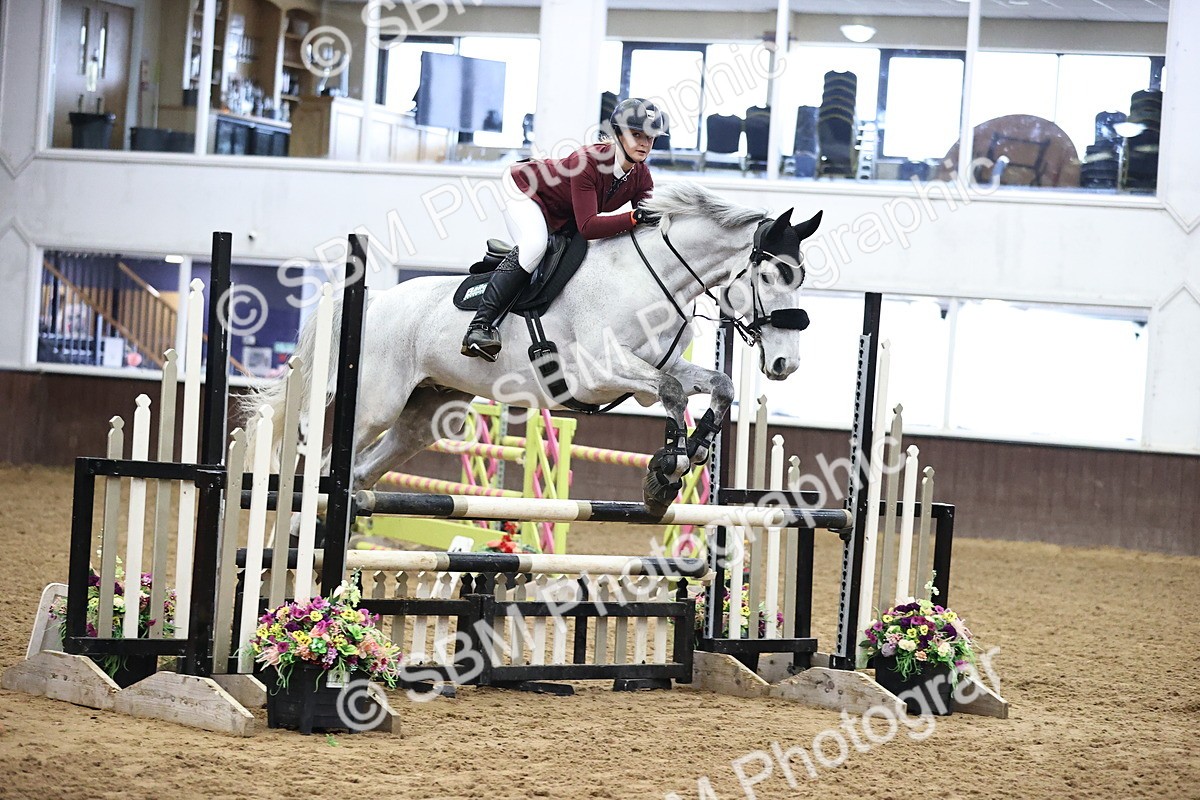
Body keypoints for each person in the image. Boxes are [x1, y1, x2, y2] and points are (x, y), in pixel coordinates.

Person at [460, 98, 670, 361]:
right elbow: (590, 226)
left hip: (565, 211)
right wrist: (633, 217)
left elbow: (645, 227)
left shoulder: (642, 176)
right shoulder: (588, 162)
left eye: (650, 138)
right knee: (535, 244)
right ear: (617, 134)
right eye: (636, 135)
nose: (644, 144)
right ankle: (479, 327)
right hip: (526, 189)